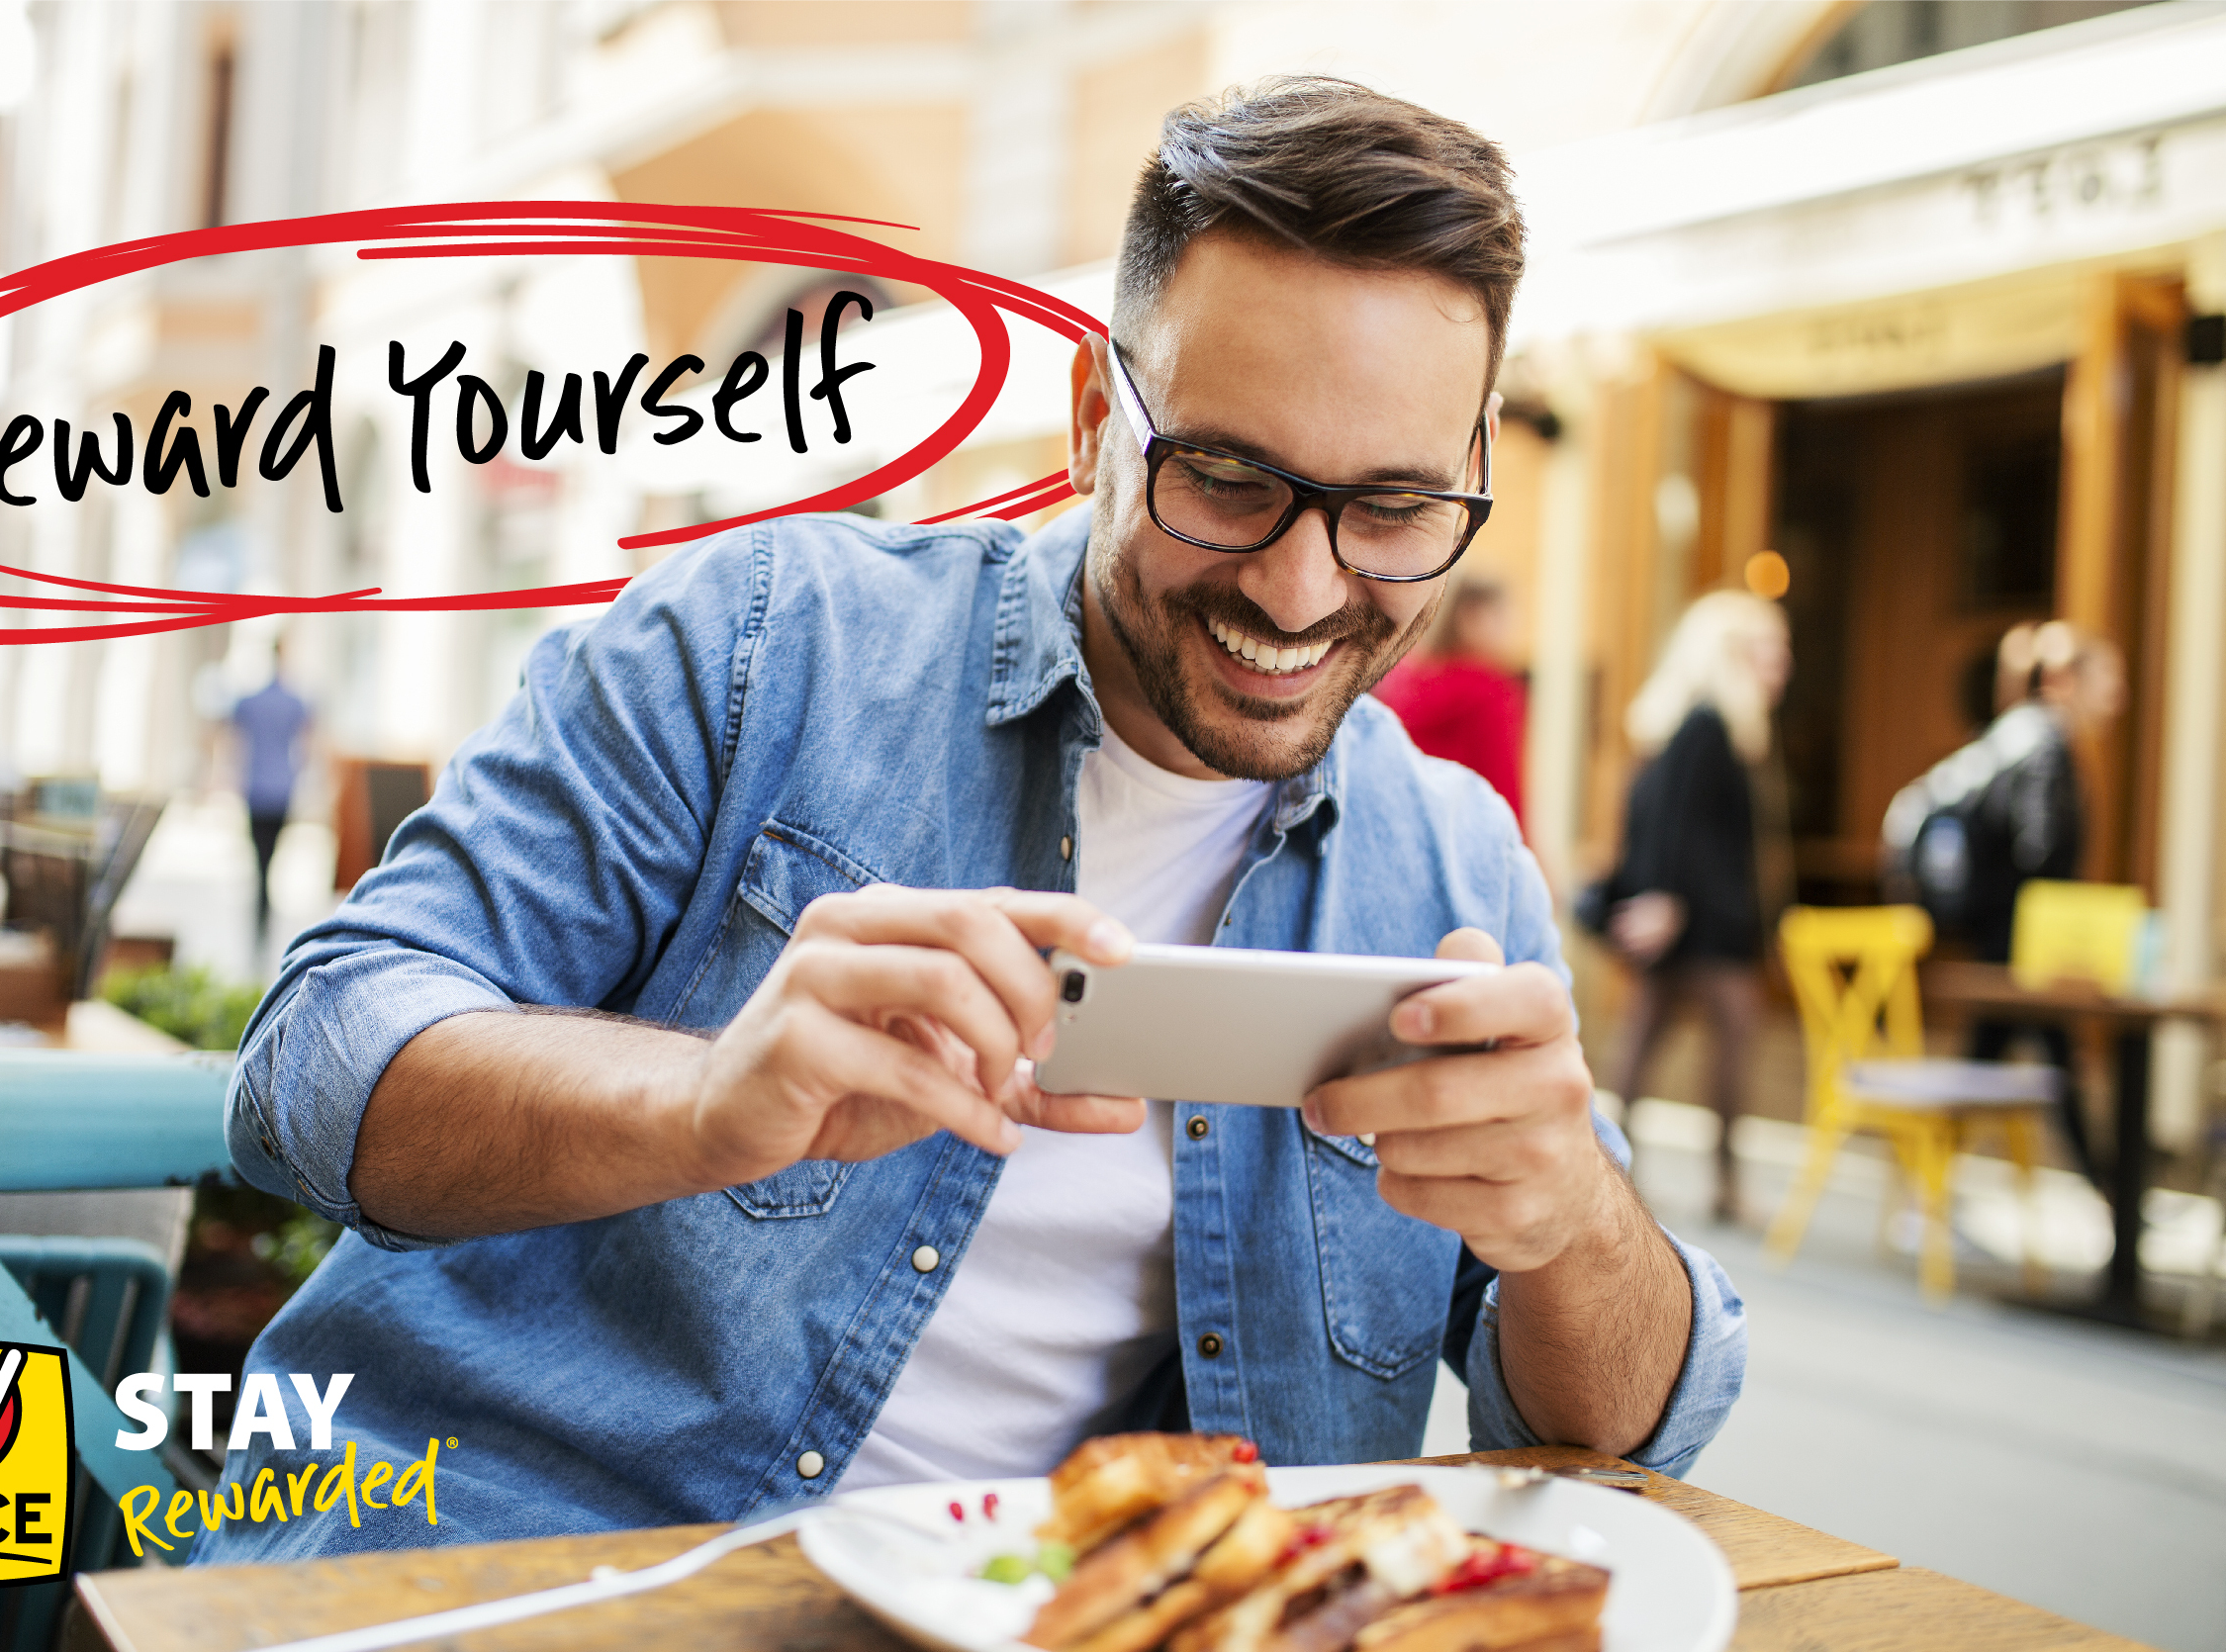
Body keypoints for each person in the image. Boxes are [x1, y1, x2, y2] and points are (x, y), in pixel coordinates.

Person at [199, 78, 1744, 1562]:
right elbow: (314, 1061)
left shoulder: (1454, 861)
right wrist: (705, 1101)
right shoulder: (766, 641)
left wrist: (1573, 1222)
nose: (1300, 585)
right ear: (1094, 422)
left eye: (1393, 511)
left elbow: (1628, 1430)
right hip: (512, 1572)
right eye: (1223, 477)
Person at [1882, 620, 2122, 1172]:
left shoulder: (2017, 738)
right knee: (2050, 1066)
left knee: (2000, 1062)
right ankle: (2113, 1197)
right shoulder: (2042, 748)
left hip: (2005, 941)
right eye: (2108, 681)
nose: (2117, 698)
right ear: (2065, 681)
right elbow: (2037, 853)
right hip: (2017, 943)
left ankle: (1932, 1190)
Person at [1597, 593, 1794, 1227]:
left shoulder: (1689, 723)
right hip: (1706, 921)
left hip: (1691, 916)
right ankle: (1724, 1185)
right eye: (1770, 649)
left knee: (1645, 1036)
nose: (1783, 663)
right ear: (1731, 654)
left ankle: (1607, 1169)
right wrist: (1663, 898)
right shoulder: (1709, 725)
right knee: (1732, 1038)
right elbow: (1674, 824)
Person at [1370, 576, 1526, 824]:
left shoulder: (1403, 684)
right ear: (1471, 617)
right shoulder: (1491, 690)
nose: (1510, 629)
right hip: (1470, 837)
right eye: (1500, 616)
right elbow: (1505, 794)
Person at [228, 643, 312, 941]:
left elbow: (233, 742)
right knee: (270, 858)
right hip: (281, 788)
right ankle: (263, 916)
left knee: (260, 858)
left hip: (257, 788)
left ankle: (260, 917)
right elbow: (306, 746)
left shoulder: (250, 701)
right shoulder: (294, 702)